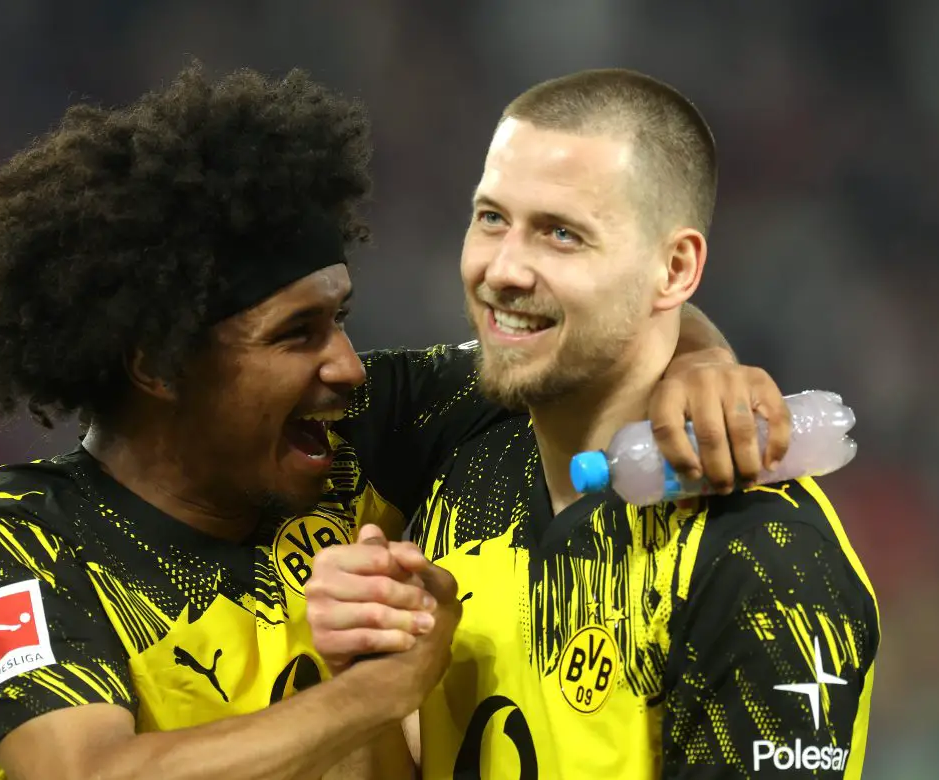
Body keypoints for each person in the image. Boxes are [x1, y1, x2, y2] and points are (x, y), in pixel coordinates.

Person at [0, 63, 792, 780]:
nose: (344, 364)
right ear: (156, 363)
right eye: (296, 335)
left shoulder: (358, 437)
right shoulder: (20, 553)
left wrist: (702, 362)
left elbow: (572, 337)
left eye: (338, 317)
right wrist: (375, 695)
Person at [306, 69, 879, 778]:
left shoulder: (762, 557)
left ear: (674, 269)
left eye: (561, 235)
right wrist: (365, 687)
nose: (504, 269)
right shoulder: (464, 444)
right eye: (491, 218)